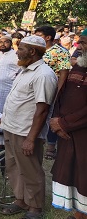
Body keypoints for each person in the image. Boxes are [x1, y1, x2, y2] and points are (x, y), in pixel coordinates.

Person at [0, 35, 57, 219]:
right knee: (13, 167)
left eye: (20, 48)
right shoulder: (25, 70)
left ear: (32, 51)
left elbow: (42, 110)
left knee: (30, 170)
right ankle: (20, 200)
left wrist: (31, 139)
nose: (17, 52)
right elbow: (16, 101)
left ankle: (35, 207)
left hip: (26, 132)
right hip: (11, 128)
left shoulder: (44, 74)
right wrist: (2, 120)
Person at [50, 29, 87, 219]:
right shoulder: (78, 67)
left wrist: (65, 123)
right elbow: (62, 94)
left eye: (85, 43)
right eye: (80, 43)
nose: (80, 47)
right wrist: (56, 120)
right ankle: (78, 213)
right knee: (71, 174)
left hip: (82, 135)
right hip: (67, 134)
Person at [35, 25, 71, 160]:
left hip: (52, 89)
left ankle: (50, 146)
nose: (35, 38)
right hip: (36, 89)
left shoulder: (60, 51)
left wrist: (58, 93)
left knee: (50, 116)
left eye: (39, 36)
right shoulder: (37, 50)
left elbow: (64, 72)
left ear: (48, 37)